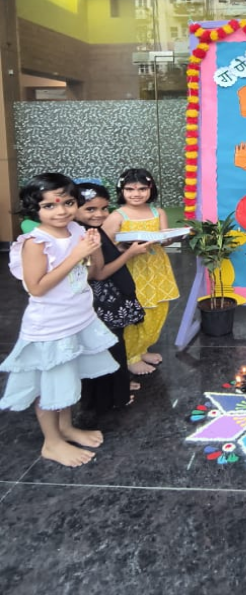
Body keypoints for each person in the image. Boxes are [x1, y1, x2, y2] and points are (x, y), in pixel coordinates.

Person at [0, 173, 118, 467]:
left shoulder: (76, 230)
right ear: (35, 209)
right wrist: (76, 254)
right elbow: (38, 287)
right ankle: (51, 442)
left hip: (78, 318)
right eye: (49, 206)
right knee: (50, 385)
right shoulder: (36, 243)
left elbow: (90, 273)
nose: (61, 211)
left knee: (67, 379)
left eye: (68, 203)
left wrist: (92, 249)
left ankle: (65, 427)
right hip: (51, 327)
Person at [75, 182, 149, 414]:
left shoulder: (89, 230)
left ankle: (120, 384)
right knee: (111, 345)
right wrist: (130, 253)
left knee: (113, 344)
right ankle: (117, 395)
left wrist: (121, 249)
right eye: (90, 209)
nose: (99, 214)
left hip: (103, 300)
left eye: (104, 208)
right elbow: (99, 273)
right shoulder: (88, 235)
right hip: (103, 301)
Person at [102, 168, 179, 376]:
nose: (136, 194)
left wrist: (171, 237)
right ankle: (130, 356)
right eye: (130, 189)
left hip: (156, 266)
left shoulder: (158, 212)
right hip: (131, 268)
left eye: (142, 189)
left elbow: (164, 239)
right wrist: (124, 247)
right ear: (121, 190)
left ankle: (142, 348)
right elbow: (104, 247)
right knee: (137, 311)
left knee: (158, 308)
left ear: (150, 189)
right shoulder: (117, 216)